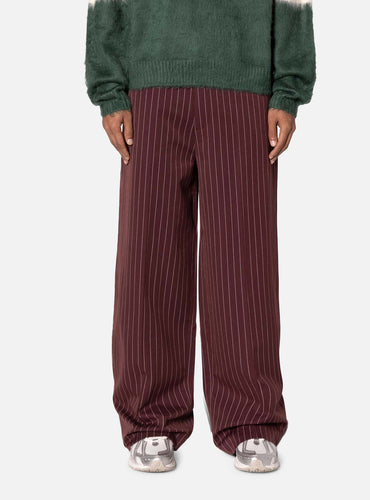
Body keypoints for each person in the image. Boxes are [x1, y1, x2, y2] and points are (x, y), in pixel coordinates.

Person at [84, 0, 316, 473]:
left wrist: (288, 87)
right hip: (149, 83)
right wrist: (109, 88)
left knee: (244, 260)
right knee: (147, 258)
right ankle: (149, 419)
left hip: (244, 81)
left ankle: (250, 416)